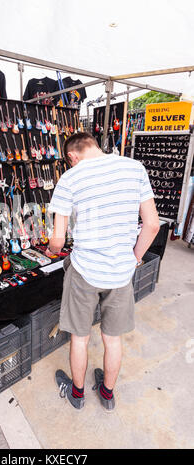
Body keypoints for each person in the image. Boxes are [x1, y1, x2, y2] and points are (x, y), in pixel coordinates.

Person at [46, 132, 159, 412]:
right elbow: (153, 225)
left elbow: (59, 240)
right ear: (95, 146)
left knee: (80, 339)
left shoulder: (70, 178)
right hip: (121, 273)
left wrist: (50, 251)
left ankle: (78, 393)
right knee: (113, 338)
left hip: (85, 271)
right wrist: (134, 257)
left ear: (71, 156)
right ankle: (107, 395)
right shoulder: (135, 168)